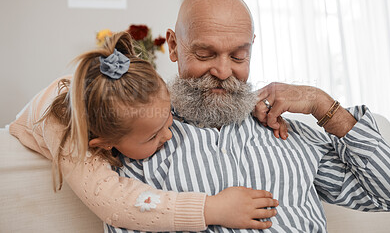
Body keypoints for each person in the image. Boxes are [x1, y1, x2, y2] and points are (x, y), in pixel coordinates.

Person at [106, 0, 390, 233]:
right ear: (173, 46)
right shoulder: (139, 138)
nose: (223, 71)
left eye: (238, 56)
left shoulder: (286, 132)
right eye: (205, 54)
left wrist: (323, 104)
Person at [9, 31, 282, 231]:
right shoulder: (71, 138)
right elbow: (116, 204)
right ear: (104, 144)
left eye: (167, 119)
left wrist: (251, 105)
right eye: (152, 136)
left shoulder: (140, 92)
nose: (168, 135)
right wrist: (212, 208)